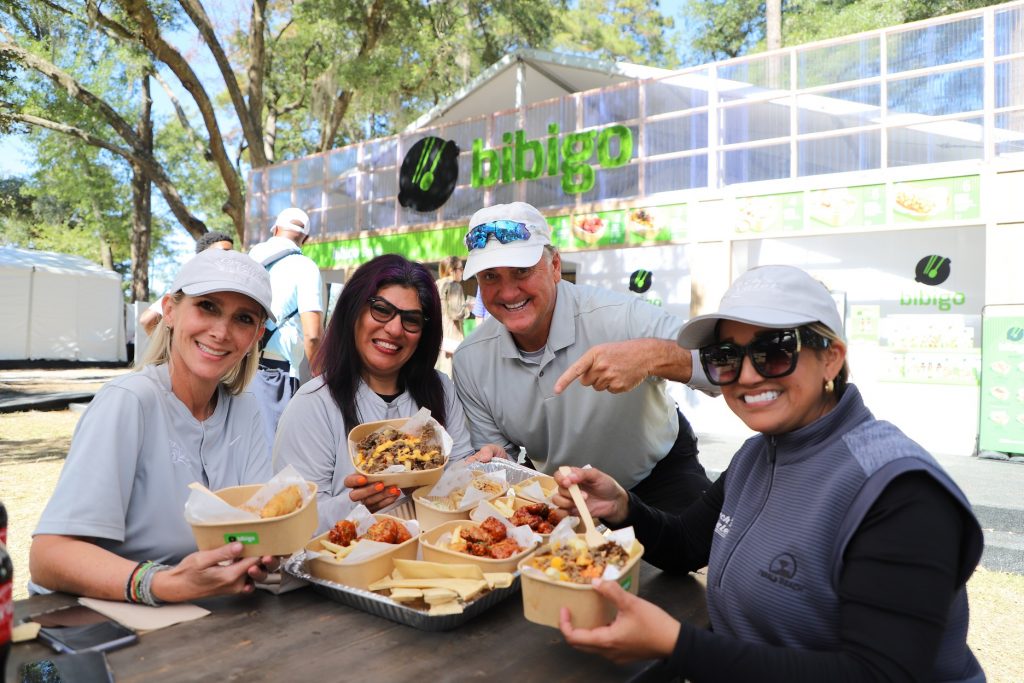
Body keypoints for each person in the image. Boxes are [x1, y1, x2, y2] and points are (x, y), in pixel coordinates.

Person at [552, 264, 984, 681]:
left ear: (831, 358)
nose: (746, 375)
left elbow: (878, 673)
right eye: (725, 357)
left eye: (774, 351)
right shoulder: (758, 456)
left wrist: (677, 646)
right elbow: (685, 544)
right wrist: (622, 507)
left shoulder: (899, 491)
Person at [30, 249, 278, 604]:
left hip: (207, 621)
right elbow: (48, 557)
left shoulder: (245, 409)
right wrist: (163, 583)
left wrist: (263, 553)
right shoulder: (129, 401)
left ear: (256, 336)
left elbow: (257, 529)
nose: (222, 332)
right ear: (170, 310)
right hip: (102, 621)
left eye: (243, 318)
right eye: (207, 306)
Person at [452, 201, 712, 514]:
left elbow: (722, 364)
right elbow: (500, 460)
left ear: (556, 266)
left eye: (522, 271)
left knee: (694, 552)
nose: (508, 293)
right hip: (561, 495)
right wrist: (498, 462)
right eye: (490, 276)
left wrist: (651, 355)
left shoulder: (618, 317)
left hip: (657, 476)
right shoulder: (470, 360)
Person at [273, 254, 503, 533]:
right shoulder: (314, 404)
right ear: (353, 311)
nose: (394, 329)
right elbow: (292, 523)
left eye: (411, 320)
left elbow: (459, 477)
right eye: (381, 310)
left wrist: (483, 468)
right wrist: (357, 504)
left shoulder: (440, 389)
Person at [247, 207, 324, 448]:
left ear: (275, 229)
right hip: (274, 374)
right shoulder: (305, 267)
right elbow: (312, 335)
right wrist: (320, 377)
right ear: (306, 239)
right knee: (276, 452)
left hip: (236, 367)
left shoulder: (249, 260)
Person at [139, 230, 235, 336]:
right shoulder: (188, 286)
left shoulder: (237, 288)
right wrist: (169, 347)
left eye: (232, 253)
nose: (230, 257)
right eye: (223, 252)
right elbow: (147, 321)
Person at [434, 255, 472, 376]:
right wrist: (467, 308)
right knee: (451, 376)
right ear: (452, 270)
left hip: (438, 336)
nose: (462, 271)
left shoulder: (436, 284)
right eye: (461, 268)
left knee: (439, 374)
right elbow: (455, 313)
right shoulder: (454, 285)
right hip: (451, 337)